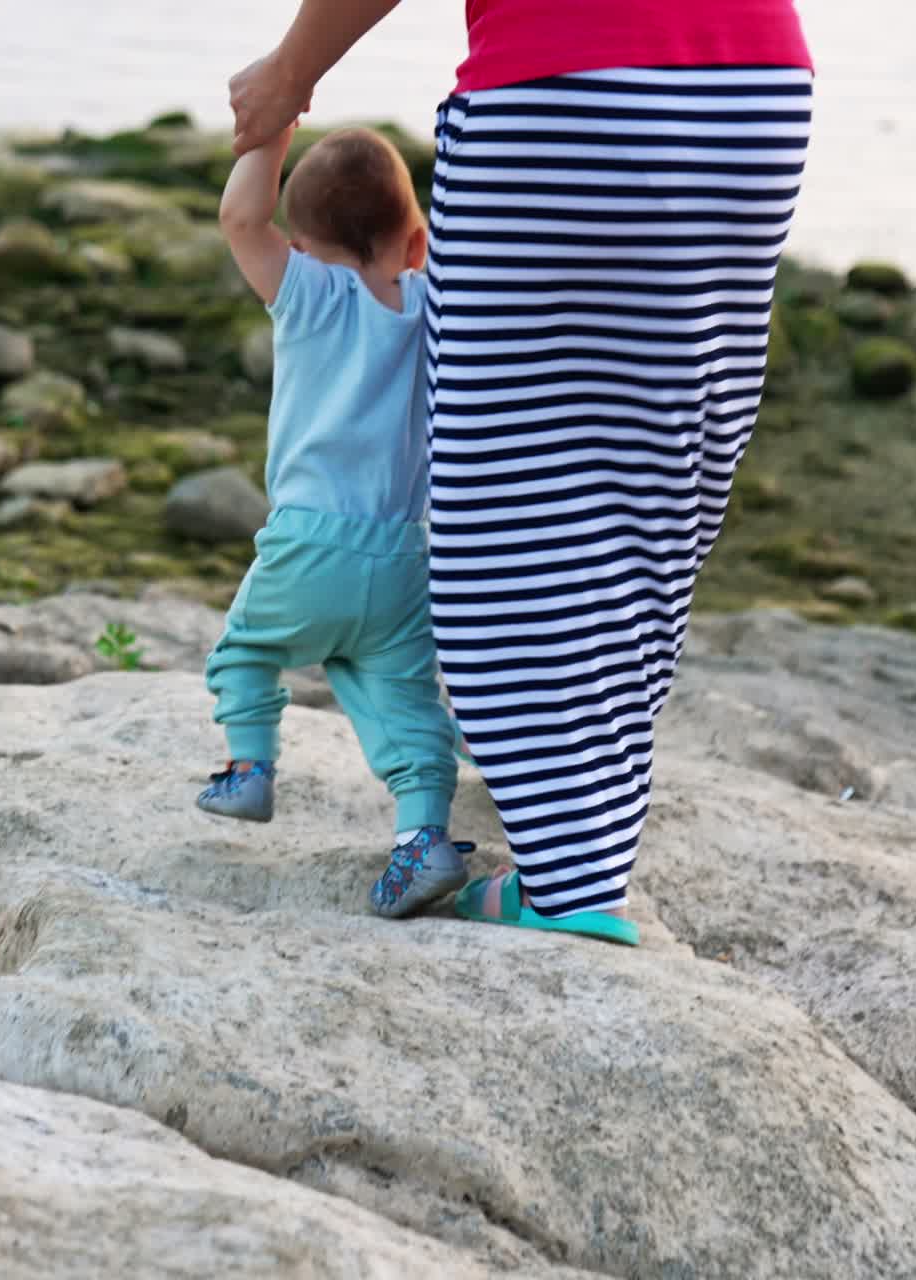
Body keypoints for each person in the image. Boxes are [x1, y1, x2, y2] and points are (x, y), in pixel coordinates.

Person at [227, 1, 814, 946]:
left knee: (504, 500)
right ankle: (589, 842)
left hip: (564, 87)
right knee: (658, 468)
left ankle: (570, 878)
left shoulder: (313, 295)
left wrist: (291, 74)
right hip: (756, 89)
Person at [197, 122, 473, 920]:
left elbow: (241, 221)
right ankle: (421, 840)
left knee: (246, 652)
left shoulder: (308, 292)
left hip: (308, 543)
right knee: (409, 707)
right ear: (413, 241)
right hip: (402, 555)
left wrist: (272, 126)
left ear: (308, 243)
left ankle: (248, 770)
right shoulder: (432, 304)